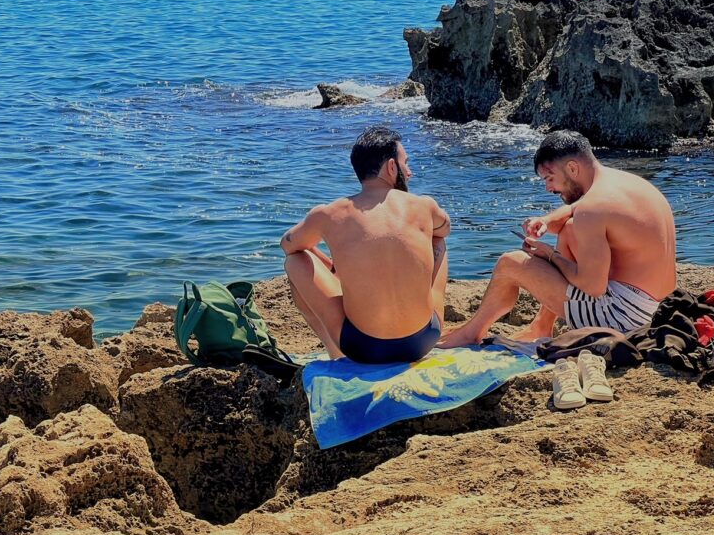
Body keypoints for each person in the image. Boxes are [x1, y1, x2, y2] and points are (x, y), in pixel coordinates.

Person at [440, 130, 676, 347]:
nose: (549, 188)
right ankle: (541, 326)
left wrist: (550, 256)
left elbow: (592, 287)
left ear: (572, 168)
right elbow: (576, 210)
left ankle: (472, 332)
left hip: (623, 320)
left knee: (510, 263)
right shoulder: (624, 183)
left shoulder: (591, 209)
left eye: (549, 178)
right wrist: (545, 220)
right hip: (658, 310)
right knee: (569, 229)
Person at [281, 126, 451, 363]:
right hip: (422, 340)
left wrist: (334, 267)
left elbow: (288, 245)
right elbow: (445, 228)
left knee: (295, 260)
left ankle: (335, 352)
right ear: (391, 167)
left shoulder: (330, 213)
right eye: (405, 163)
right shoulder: (424, 205)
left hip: (362, 347)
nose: (409, 172)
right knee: (438, 239)